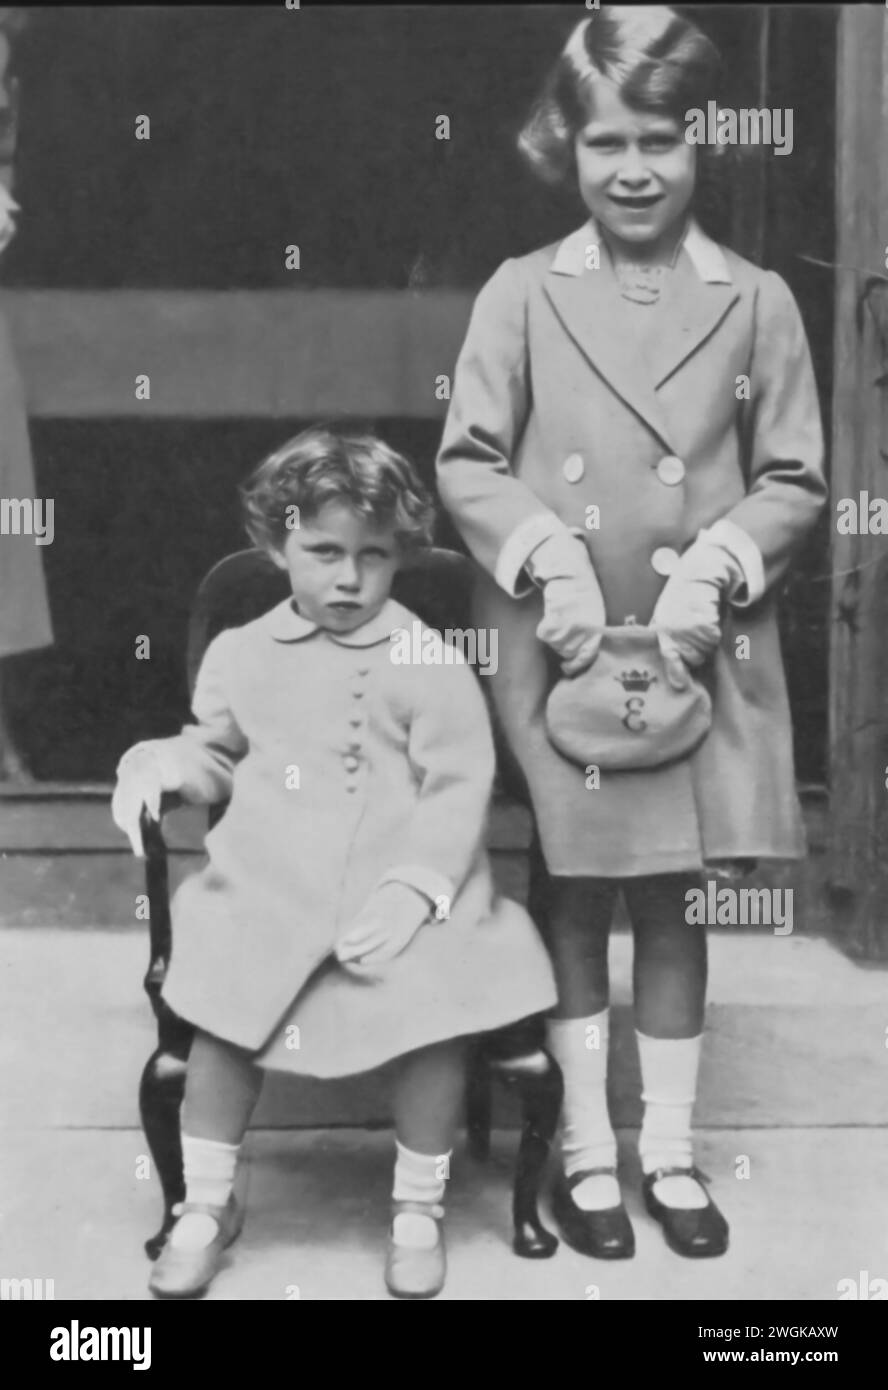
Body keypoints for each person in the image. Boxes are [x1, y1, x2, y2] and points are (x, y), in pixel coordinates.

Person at [435, 6, 826, 1260]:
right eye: (607, 142)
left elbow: (796, 477)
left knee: (674, 901)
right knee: (577, 886)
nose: (636, 168)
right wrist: (546, 550)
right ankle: (587, 1155)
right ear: (571, 145)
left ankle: (670, 1149)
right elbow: (468, 461)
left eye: (660, 138)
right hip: (571, 646)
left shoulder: (756, 301)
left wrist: (720, 564)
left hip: (694, 646)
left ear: (703, 140)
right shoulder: (520, 293)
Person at [112, 425, 556, 1299]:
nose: (348, 578)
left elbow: (460, 783)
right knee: (224, 1003)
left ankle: (417, 1208)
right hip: (272, 883)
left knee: (434, 1009)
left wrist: (418, 887)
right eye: (322, 552)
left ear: (399, 557)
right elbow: (216, 753)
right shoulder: (243, 654)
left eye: (373, 556)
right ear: (275, 545)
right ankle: (205, 1205)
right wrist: (160, 763)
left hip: (408, 888)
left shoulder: (427, 654)